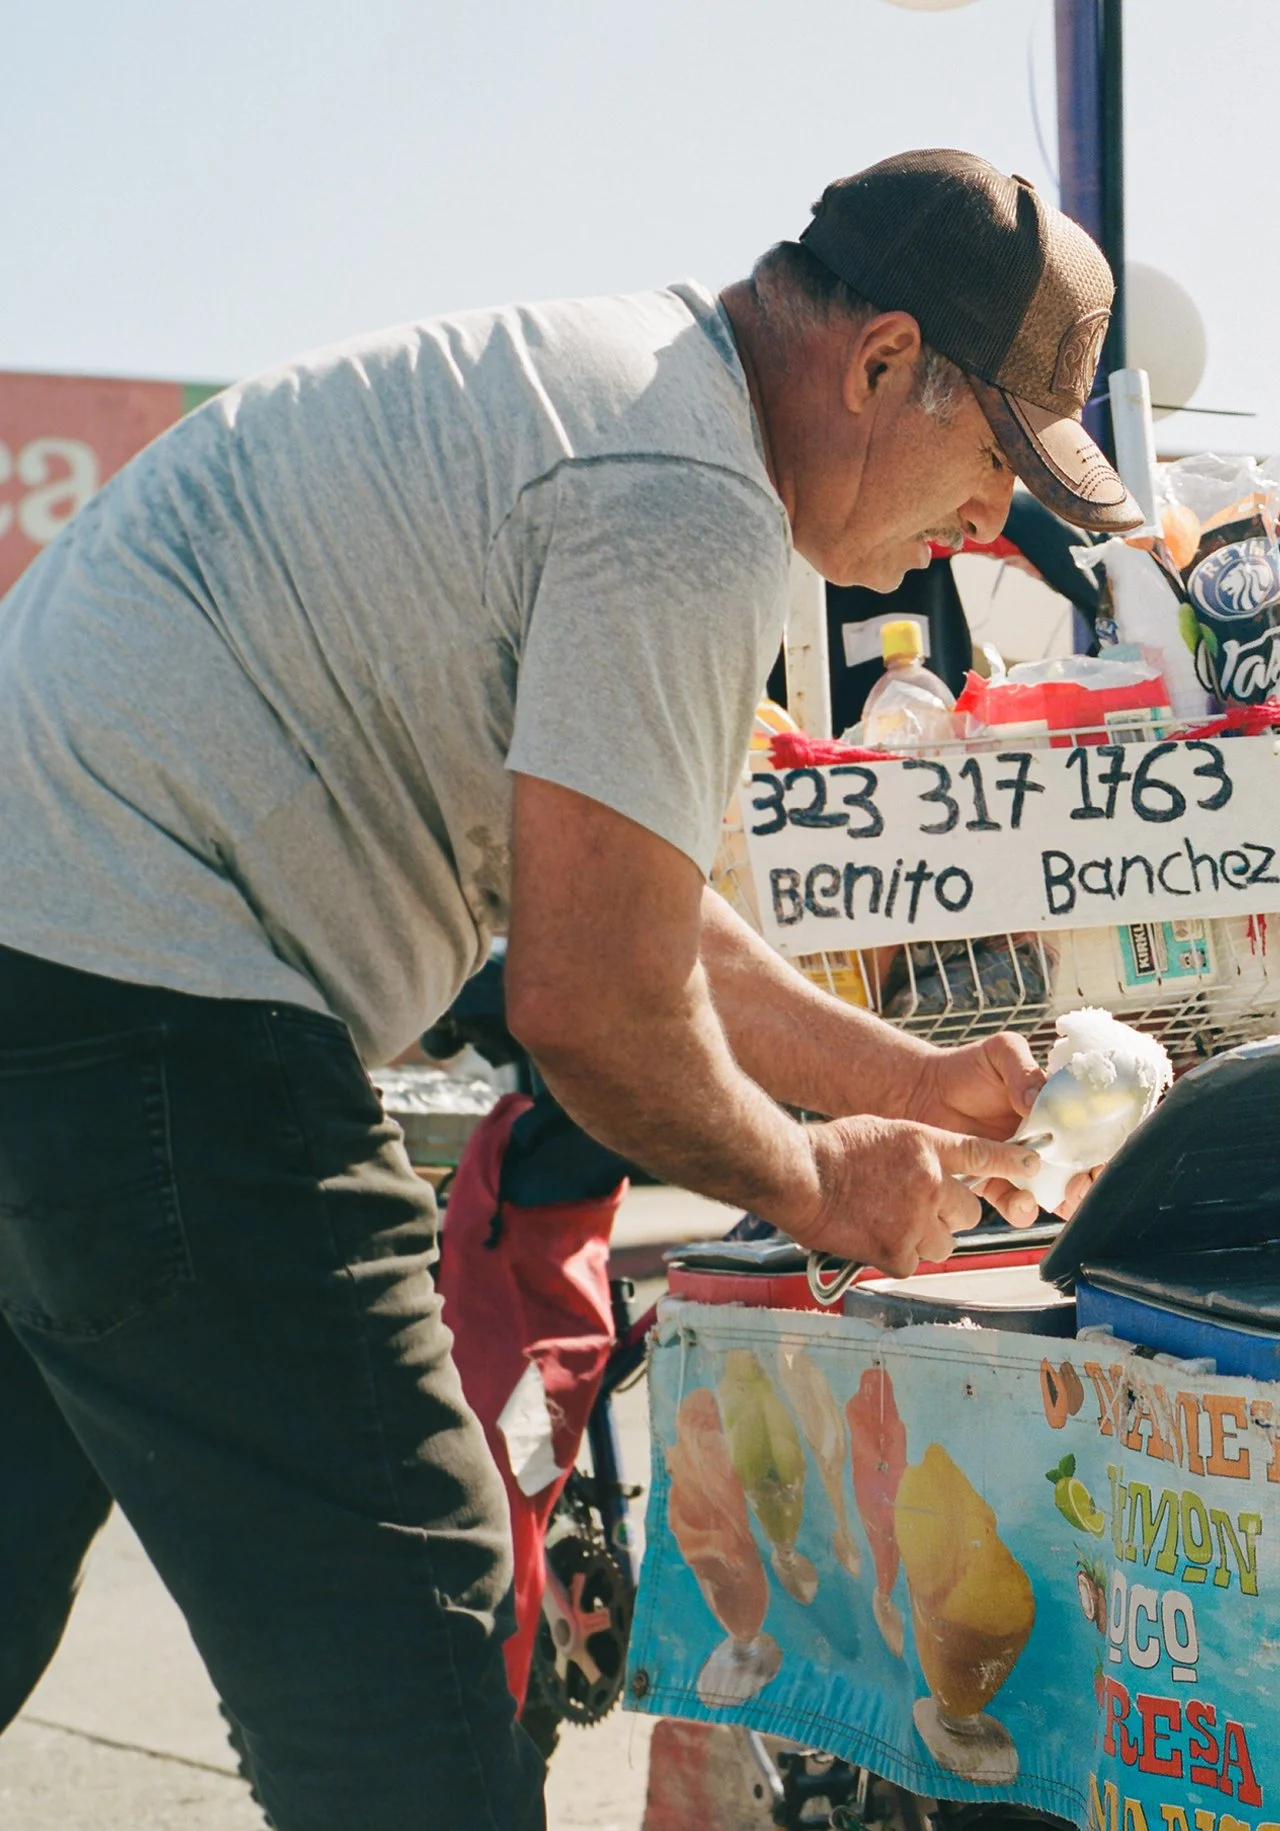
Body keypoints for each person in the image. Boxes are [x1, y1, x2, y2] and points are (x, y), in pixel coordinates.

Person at [0, 148, 1140, 1829]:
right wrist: (819, 1181)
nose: (987, 523)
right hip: (147, 997)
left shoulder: (633, 394)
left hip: (58, 964)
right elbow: (593, 1007)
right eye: (995, 461)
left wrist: (905, 1082)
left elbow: (640, 914)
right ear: (884, 360)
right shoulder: (687, 503)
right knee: (414, 1639)